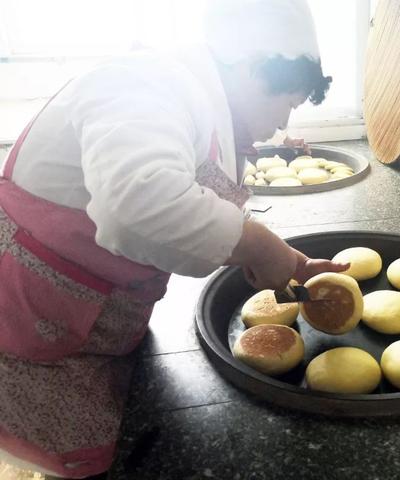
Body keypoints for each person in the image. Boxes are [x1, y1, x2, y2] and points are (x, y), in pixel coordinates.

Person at [0, 0, 347, 477]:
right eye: (287, 102)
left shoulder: (193, 101)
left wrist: (279, 256)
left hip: (99, 316)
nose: (284, 124)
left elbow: (189, 212)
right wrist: (255, 244)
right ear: (250, 65)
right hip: (34, 319)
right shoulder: (145, 82)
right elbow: (137, 203)